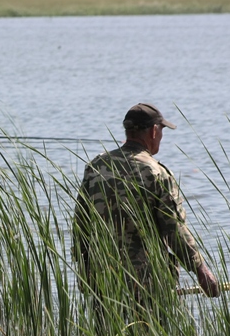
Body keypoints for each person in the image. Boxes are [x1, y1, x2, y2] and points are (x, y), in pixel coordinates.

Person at [72, 102, 220, 321]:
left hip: (102, 279)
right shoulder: (156, 172)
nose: (161, 136)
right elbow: (174, 230)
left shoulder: (96, 166)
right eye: (161, 131)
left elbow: (80, 223)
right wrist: (201, 270)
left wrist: (85, 268)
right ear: (153, 131)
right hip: (146, 283)